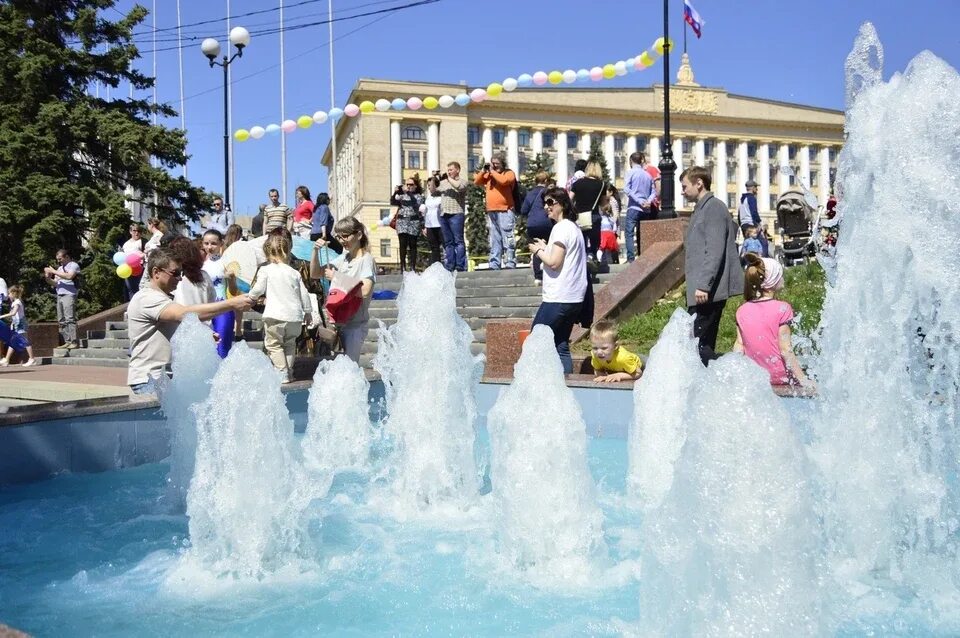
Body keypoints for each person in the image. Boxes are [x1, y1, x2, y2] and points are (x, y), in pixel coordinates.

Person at [127, 247, 253, 394]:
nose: (180, 278)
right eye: (175, 273)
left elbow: (172, 327)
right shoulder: (147, 298)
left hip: (162, 378)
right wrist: (231, 304)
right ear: (156, 272)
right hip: (148, 379)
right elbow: (184, 314)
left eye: (180, 273)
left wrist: (201, 335)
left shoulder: (163, 299)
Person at [680, 166, 744, 366]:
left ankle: (726, 375)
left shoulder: (714, 207)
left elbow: (714, 250)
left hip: (708, 292)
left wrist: (704, 284)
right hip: (703, 292)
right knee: (699, 345)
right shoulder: (702, 208)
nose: (682, 191)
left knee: (697, 346)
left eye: (685, 186)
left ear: (699, 183)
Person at [527, 187, 587, 374]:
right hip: (573, 298)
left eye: (551, 202)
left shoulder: (561, 228)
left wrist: (538, 251)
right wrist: (546, 248)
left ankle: (532, 384)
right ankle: (567, 385)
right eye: (544, 203)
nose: (546, 207)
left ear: (562, 204)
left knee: (534, 341)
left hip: (558, 298)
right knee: (560, 345)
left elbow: (554, 262)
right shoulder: (573, 228)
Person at [734, 254, 813, 387]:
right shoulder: (782, 308)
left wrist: (737, 377)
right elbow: (785, 349)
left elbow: (739, 346)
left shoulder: (742, 310)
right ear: (772, 281)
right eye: (779, 275)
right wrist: (804, 381)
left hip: (755, 378)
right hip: (781, 378)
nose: (782, 278)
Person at [247, 233, 312, 383]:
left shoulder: (266, 270)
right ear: (288, 251)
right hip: (294, 318)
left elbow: (258, 289)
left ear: (267, 252)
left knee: (274, 345)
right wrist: (307, 312)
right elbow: (305, 294)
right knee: (289, 344)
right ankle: (289, 372)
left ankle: (282, 372)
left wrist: (251, 297)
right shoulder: (295, 273)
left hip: (275, 315)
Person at [311, 217, 376, 363]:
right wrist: (315, 251)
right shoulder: (344, 258)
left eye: (345, 236)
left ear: (358, 235)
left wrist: (336, 277)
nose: (341, 240)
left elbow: (365, 290)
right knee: (340, 370)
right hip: (338, 324)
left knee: (350, 369)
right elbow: (315, 274)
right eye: (338, 237)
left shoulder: (366, 260)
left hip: (355, 326)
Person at [474, 153, 518, 270]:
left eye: (497, 164)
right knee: (495, 238)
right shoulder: (489, 175)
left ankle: (510, 262)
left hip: (505, 210)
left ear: (503, 163)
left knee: (508, 236)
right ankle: (494, 263)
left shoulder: (508, 173)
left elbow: (503, 181)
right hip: (492, 210)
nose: (494, 166)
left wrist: (493, 172)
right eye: (493, 164)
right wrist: (484, 171)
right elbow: (477, 181)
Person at [201, 229, 237, 358]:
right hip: (204, 309)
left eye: (213, 243)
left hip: (223, 309)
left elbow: (233, 292)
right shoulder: (201, 264)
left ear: (221, 243)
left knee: (222, 348)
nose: (209, 247)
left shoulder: (226, 263)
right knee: (205, 349)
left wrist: (232, 279)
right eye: (206, 243)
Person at [623, 152, 658, 261]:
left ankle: (631, 259)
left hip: (634, 207)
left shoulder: (631, 173)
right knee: (642, 234)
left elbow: (626, 189)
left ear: (631, 161)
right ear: (641, 160)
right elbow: (654, 192)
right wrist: (647, 201)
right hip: (646, 209)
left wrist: (639, 201)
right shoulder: (647, 175)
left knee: (629, 233)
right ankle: (643, 258)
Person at [570, 161, 607, 262]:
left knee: (581, 240)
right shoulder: (602, 185)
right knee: (595, 241)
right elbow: (603, 204)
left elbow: (569, 199)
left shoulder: (577, 183)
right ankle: (591, 255)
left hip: (579, 217)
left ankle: (582, 258)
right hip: (593, 216)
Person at [44, 248, 80, 349]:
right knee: (61, 320)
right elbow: (55, 283)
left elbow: (69, 276)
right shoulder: (59, 269)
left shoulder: (73, 265)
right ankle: (67, 341)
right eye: (57, 259)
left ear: (67, 257)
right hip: (60, 294)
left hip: (69, 294)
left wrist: (53, 271)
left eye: (60, 259)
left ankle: (74, 341)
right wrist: (47, 278)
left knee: (69, 318)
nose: (58, 261)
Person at [520, 171, 552, 284]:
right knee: (549, 246)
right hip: (546, 223)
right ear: (546, 181)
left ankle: (538, 277)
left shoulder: (530, 193)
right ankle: (549, 273)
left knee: (536, 249)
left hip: (532, 224)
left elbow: (523, 210)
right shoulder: (548, 192)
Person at [588, 318, 642, 383]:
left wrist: (618, 375)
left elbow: (638, 374)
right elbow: (597, 370)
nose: (599, 352)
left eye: (604, 348)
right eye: (595, 348)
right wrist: (603, 377)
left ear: (615, 346)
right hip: (615, 368)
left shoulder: (623, 358)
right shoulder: (595, 355)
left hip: (635, 366)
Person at [437, 161, 468, 272]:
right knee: (448, 242)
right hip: (444, 214)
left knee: (458, 241)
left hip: (456, 214)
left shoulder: (463, 181)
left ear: (457, 170)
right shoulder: (444, 182)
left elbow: (459, 187)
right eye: (448, 170)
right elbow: (433, 192)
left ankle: (460, 265)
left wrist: (448, 179)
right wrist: (435, 180)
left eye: (451, 170)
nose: (449, 172)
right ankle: (450, 265)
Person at [168, 237, 215, 308]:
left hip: (183, 317)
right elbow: (212, 299)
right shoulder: (204, 275)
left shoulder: (176, 277)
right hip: (204, 316)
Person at [391, 174, 424, 273]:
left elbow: (415, 203)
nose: (409, 186)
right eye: (407, 184)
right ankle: (403, 268)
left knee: (413, 245)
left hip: (413, 222)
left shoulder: (419, 196)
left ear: (416, 186)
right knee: (402, 244)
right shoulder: (402, 196)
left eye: (411, 184)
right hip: (402, 222)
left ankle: (413, 268)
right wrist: (395, 192)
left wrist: (408, 193)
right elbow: (393, 202)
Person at [0, 286, 37, 367]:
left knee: (25, 342)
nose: (8, 295)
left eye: (9, 293)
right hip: (17, 325)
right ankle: (6, 359)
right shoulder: (14, 302)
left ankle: (32, 359)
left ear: (14, 293)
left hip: (21, 325)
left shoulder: (17, 302)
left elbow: (13, 313)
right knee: (13, 342)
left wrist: (2, 316)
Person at [421, 176, 443, 266]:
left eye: (430, 185)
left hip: (440, 225)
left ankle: (449, 265)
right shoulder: (428, 197)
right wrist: (425, 226)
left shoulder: (441, 196)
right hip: (430, 226)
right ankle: (436, 266)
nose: (429, 187)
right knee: (434, 248)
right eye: (428, 185)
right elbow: (426, 212)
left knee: (445, 245)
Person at [121, 223, 145, 301]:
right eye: (134, 231)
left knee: (141, 289)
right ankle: (132, 308)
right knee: (131, 290)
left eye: (138, 231)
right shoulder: (125, 244)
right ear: (130, 232)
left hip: (140, 269)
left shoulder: (143, 241)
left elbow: (148, 253)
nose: (136, 233)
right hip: (128, 270)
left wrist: (140, 257)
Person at [598, 201, 619, 266]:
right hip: (610, 234)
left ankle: (599, 260)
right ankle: (611, 261)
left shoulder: (600, 219)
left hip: (602, 234)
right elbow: (614, 229)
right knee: (610, 250)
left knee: (601, 248)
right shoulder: (611, 219)